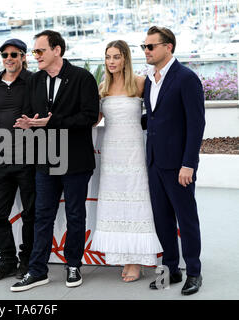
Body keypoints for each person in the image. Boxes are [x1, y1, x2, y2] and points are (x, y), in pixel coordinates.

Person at [11, 30, 99, 291]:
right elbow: (30, 113)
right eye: (34, 51)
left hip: (75, 159)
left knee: (75, 214)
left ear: (57, 50)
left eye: (40, 51)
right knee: (42, 215)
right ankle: (37, 270)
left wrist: (52, 122)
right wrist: (29, 124)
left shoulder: (82, 78)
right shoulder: (34, 81)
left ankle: (74, 265)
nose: (35, 56)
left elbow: (90, 116)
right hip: (45, 158)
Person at [90, 40, 163, 282]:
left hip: (134, 153)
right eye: (108, 57)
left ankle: (135, 261)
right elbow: (93, 120)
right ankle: (123, 255)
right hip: (111, 154)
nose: (111, 62)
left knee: (135, 202)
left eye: (116, 57)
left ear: (125, 59)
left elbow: (157, 114)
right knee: (115, 205)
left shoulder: (141, 84)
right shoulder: (102, 87)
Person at [142, 26, 205, 295]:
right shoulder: (149, 79)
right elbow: (154, 118)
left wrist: (188, 164)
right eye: (144, 46)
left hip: (179, 165)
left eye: (150, 46)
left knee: (186, 218)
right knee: (162, 219)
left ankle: (193, 272)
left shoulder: (186, 78)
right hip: (155, 161)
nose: (146, 50)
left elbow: (196, 124)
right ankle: (171, 269)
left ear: (168, 47)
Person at [0, 39, 35, 283]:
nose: (9, 58)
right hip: (2, 159)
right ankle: (6, 261)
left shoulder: (34, 80)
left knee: (30, 213)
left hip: (28, 159)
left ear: (23, 56)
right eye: (5, 54)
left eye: (14, 54)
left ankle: (26, 261)